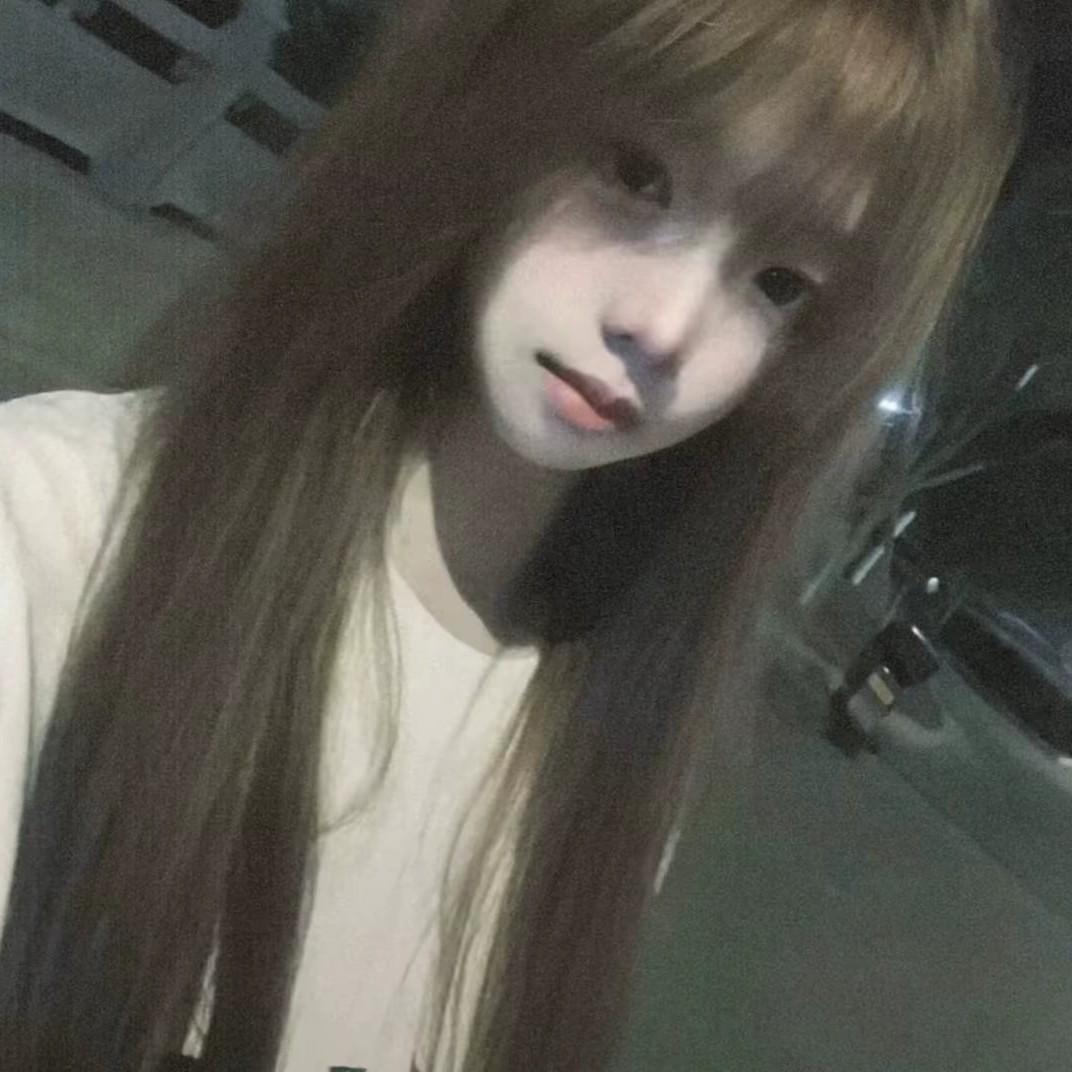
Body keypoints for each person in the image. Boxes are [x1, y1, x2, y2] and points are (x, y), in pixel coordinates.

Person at [0, 0, 1023, 1070]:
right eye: (638, 174)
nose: (665, 328)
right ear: (494, 102)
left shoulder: (607, 749)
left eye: (778, 285)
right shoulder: (58, 533)